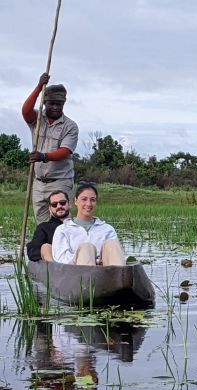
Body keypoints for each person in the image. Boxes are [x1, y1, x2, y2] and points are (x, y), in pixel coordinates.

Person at [23, 73, 79, 224]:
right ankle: (45, 248)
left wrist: (43, 156)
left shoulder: (70, 126)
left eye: (58, 104)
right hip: (39, 183)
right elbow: (25, 111)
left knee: (61, 224)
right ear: (45, 103)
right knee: (42, 226)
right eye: (51, 103)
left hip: (60, 181)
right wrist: (38, 87)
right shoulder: (38, 119)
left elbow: (65, 151)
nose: (54, 107)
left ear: (63, 105)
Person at [52, 183, 125, 266]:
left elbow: (115, 255)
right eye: (84, 199)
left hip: (106, 272)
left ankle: (119, 277)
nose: (89, 204)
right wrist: (87, 257)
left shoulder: (107, 229)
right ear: (76, 201)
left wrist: (98, 261)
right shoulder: (62, 229)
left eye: (92, 200)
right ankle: (87, 278)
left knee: (112, 244)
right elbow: (61, 258)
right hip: (76, 272)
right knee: (86, 248)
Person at [26, 190, 71, 262]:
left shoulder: (77, 226)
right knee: (45, 247)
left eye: (62, 203)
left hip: (75, 264)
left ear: (69, 204)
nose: (59, 206)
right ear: (50, 209)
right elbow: (32, 251)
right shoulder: (44, 228)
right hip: (55, 265)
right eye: (54, 204)